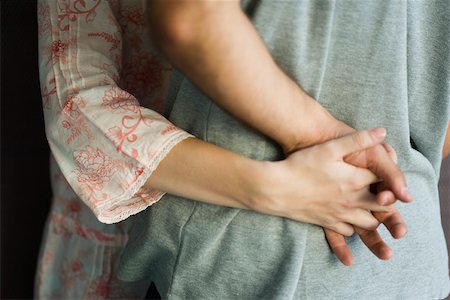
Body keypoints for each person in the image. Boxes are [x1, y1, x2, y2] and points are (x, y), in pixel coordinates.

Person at [35, 0, 449, 299]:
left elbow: (190, 19)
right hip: (403, 244)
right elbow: (78, 103)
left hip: (239, 256)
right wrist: (274, 184)